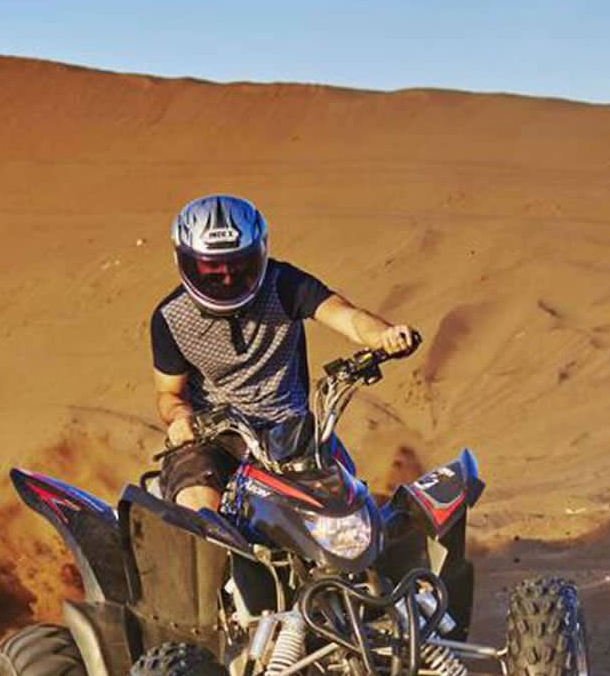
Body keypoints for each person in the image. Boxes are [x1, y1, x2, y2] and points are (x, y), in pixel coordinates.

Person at [151, 193, 419, 512]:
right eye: (212, 269)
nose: (226, 277)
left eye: (239, 266)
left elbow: (347, 316)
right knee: (198, 501)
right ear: (185, 261)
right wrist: (182, 419)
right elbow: (169, 393)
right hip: (213, 439)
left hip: (292, 432)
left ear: (260, 254)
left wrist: (384, 336)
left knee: (350, 503)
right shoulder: (171, 317)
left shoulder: (283, 285)